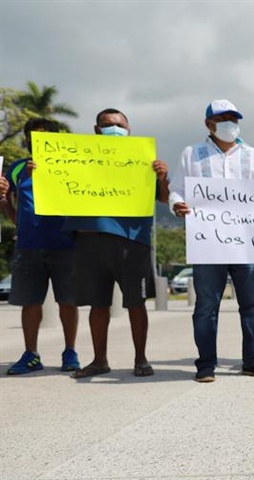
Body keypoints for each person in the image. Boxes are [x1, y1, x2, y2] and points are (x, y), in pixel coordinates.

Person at [169, 99, 254, 382]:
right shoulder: (192, 154)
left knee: (253, 304)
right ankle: (205, 364)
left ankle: (253, 360)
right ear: (209, 123)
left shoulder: (253, 156)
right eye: (223, 117)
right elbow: (176, 190)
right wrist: (177, 205)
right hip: (209, 244)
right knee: (206, 306)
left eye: (234, 117)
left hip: (246, 244)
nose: (230, 123)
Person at [66, 108, 170, 379]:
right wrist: (41, 173)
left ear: (129, 130)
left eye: (119, 124)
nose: (114, 128)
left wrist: (161, 177)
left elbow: (163, 199)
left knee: (136, 303)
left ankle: (141, 359)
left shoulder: (145, 160)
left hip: (132, 241)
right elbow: (58, 189)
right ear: (96, 129)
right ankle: (99, 360)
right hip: (90, 239)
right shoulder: (77, 159)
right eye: (107, 124)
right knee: (97, 304)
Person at [2, 118, 80, 375]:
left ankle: (70, 352)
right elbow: (11, 207)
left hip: (66, 245)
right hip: (28, 246)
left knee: (68, 302)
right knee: (30, 303)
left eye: (44, 137)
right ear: (26, 139)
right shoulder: (16, 169)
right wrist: (4, 201)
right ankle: (31, 354)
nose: (36, 141)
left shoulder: (72, 166)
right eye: (32, 136)